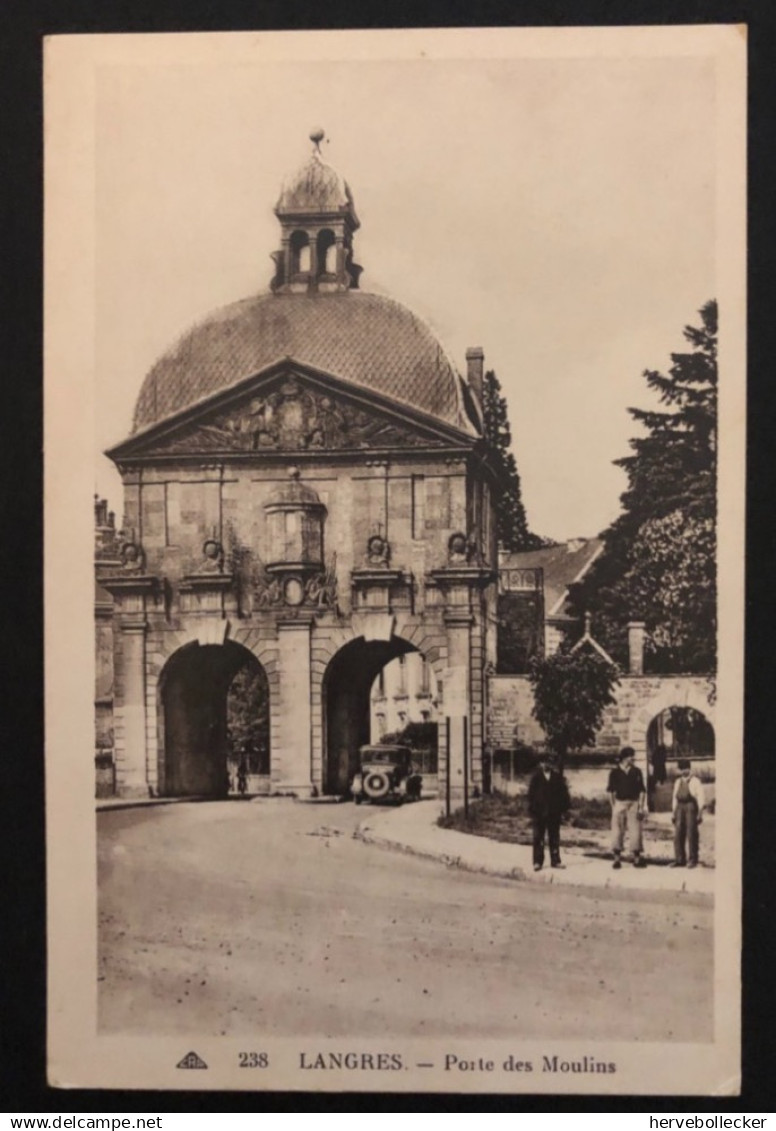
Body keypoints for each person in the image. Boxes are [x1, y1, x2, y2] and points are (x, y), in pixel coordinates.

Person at [527, 753, 571, 871]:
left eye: (549, 762)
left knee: (554, 837)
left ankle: (555, 860)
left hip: (554, 813)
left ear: (551, 764)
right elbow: (530, 796)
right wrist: (532, 811)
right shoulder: (536, 778)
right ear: (540, 764)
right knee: (538, 838)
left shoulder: (557, 777)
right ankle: (537, 862)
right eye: (543, 762)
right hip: (539, 813)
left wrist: (564, 811)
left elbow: (564, 795)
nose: (546, 764)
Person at [607, 746, 647, 869]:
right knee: (617, 831)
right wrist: (614, 806)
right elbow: (610, 791)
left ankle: (636, 859)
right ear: (624, 758)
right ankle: (617, 859)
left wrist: (641, 806)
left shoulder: (637, 771)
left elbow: (642, 791)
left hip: (633, 803)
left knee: (636, 831)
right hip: (620, 803)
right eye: (631, 756)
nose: (633, 758)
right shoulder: (614, 772)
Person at [671, 758, 705, 868]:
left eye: (685, 769)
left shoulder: (695, 781)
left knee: (691, 833)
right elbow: (674, 798)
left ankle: (692, 859)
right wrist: (673, 812)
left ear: (689, 769)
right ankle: (679, 859)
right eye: (681, 769)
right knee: (678, 833)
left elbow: (700, 797)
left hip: (691, 807)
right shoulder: (677, 782)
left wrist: (700, 812)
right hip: (679, 807)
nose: (683, 771)